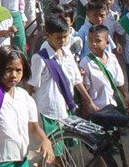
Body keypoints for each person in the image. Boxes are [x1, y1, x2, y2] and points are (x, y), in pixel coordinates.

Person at [29, 15, 98, 156]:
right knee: (55, 151)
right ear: (48, 35)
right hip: (49, 111)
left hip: (66, 108)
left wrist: (89, 101)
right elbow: (31, 86)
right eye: (58, 38)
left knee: (67, 147)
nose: (63, 41)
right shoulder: (40, 59)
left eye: (65, 37)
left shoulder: (67, 53)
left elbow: (77, 80)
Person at [0, 46, 54, 167]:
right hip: (0, 162)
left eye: (18, 70)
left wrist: (45, 139)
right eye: (8, 69)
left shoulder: (24, 96)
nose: (14, 75)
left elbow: (33, 126)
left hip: (22, 160)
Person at [79, 24, 129, 113]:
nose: (93, 44)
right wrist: (87, 107)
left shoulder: (112, 58)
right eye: (90, 40)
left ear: (107, 43)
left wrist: (126, 96)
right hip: (98, 108)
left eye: (98, 41)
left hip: (115, 105)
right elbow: (84, 89)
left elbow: (119, 81)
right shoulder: (85, 63)